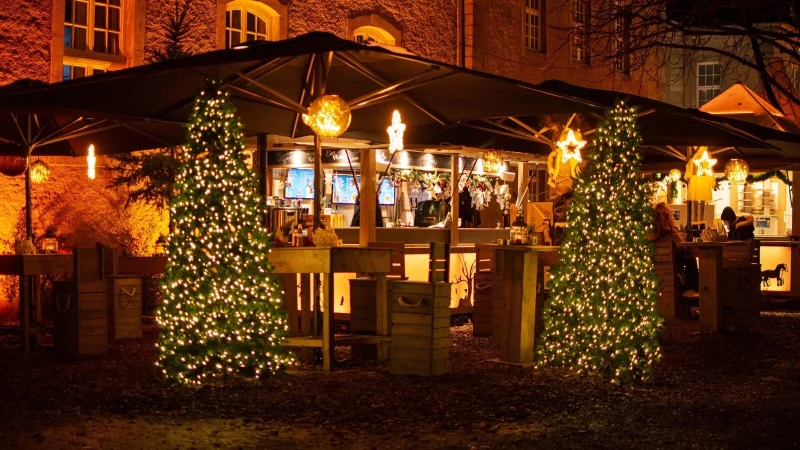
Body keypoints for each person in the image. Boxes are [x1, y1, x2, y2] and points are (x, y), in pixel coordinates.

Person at [649, 202, 699, 298]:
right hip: (672, 269)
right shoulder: (671, 234)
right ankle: (690, 289)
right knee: (691, 259)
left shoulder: (653, 234)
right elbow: (682, 247)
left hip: (657, 269)